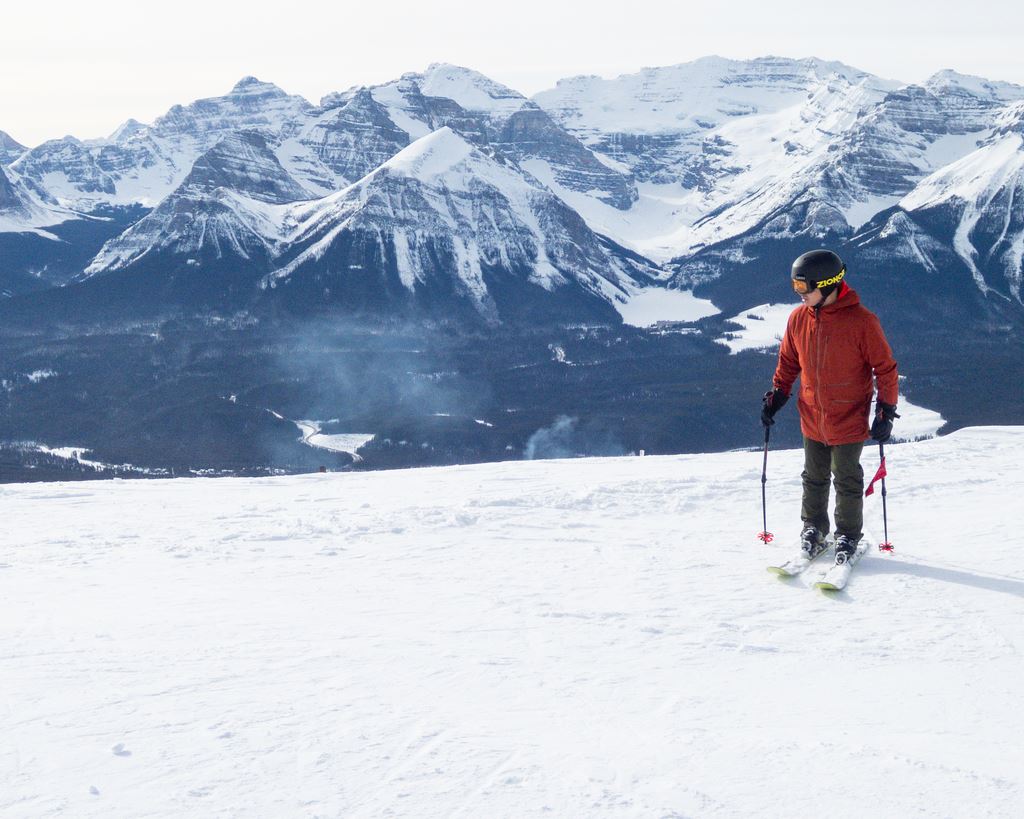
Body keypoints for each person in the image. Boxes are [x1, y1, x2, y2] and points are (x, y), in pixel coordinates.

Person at [760, 249, 899, 564]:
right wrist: (778, 395)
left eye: (804, 288)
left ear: (828, 284)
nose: (800, 295)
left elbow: (886, 369)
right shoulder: (798, 319)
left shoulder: (862, 322)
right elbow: (788, 363)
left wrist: (886, 410)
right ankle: (813, 529)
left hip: (848, 417)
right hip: (812, 416)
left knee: (846, 477)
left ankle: (848, 535)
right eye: (796, 288)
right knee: (814, 475)